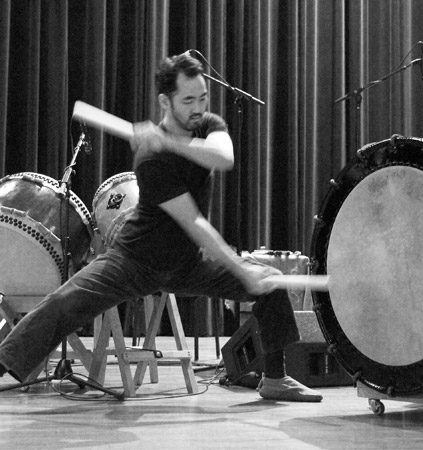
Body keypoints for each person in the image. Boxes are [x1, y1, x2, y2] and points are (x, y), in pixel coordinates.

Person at [0, 54, 322, 402]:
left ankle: (275, 379)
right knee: (64, 303)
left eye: (202, 98)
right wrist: (239, 268)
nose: (198, 107)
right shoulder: (151, 160)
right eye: (188, 100)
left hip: (187, 263)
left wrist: (168, 140)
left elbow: (223, 157)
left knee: (269, 284)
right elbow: (194, 222)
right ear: (165, 101)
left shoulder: (205, 125)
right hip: (135, 260)